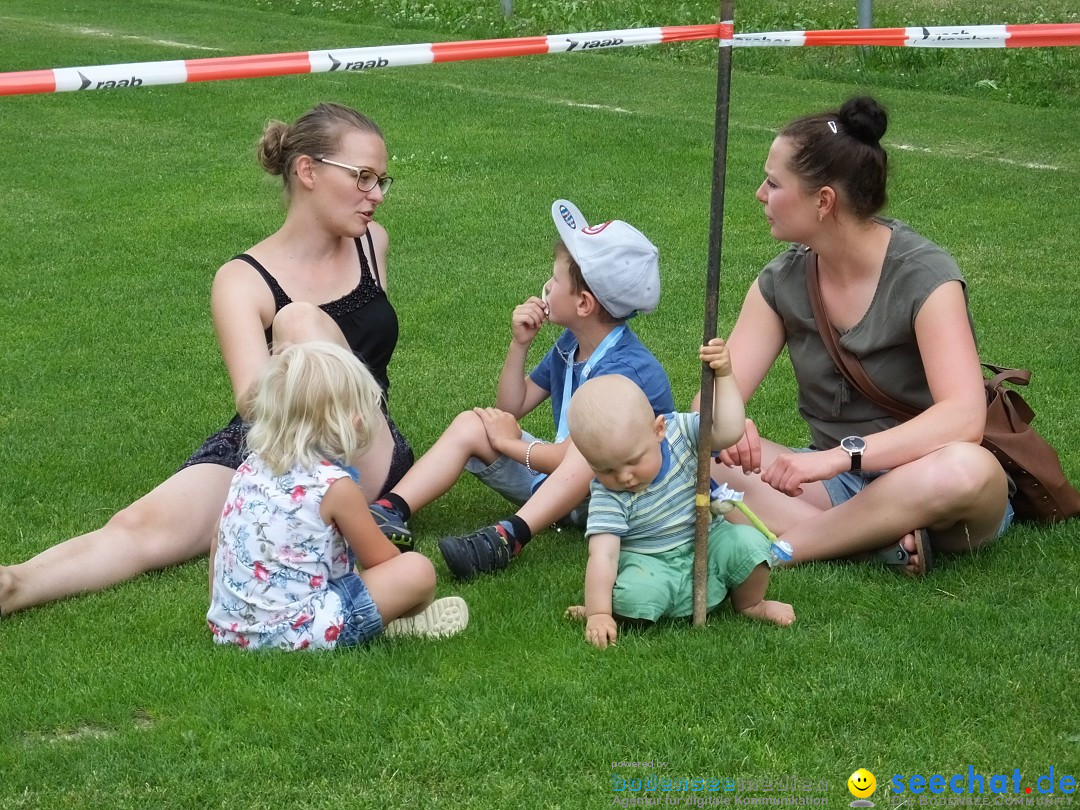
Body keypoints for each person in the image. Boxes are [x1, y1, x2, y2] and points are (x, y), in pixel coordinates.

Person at [0, 102, 414, 618]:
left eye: (381, 180)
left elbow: (366, 381)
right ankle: (13, 584)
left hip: (357, 439)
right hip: (271, 440)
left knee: (299, 321)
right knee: (140, 526)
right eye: (363, 178)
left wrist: (297, 338)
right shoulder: (241, 279)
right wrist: (290, 363)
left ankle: (337, 511)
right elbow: (252, 403)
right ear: (308, 170)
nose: (375, 195)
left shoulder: (372, 244)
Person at [709, 95, 1012, 577]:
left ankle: (788, 546)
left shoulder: (925, 276)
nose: (759, 195)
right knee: (693, 451)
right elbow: (713, 402)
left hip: (926, 480)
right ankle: (874, 542)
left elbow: (963, 418)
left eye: (773, 182)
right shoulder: (781, 281)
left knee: (967, 469)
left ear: (823, 200)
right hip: (831, 486)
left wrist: (836, 459)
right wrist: (727, 417)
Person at [368, 199, 675, 581]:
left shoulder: (626, 370)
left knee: (583, 458)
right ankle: (388, 510)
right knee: (472, 424)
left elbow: (575, 458)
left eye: (556, 280)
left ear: (583, 303)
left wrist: (512, 445)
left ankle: (507, 538)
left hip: (618, 492)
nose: (547, 286)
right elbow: (511, 407)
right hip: (561, 485)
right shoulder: (569, 344)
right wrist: (520, 345)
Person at [208, 342, 467, 650]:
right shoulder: (334, 485)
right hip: (301, 634)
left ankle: (236, 619)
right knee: (417, 571)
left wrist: (222, 613)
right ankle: (388, 621)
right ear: (352, 421)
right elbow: (381, 560)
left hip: (230, 631)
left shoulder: (250, 467)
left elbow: (217, 539)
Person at [565, 347, 795, 650]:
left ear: (658, 429)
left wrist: (724, 376)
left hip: (708, 540)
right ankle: (616, 611)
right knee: (637, 595)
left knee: (749, 545)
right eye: (605, 468)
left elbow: (728, 431)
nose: (623, 477)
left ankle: (751, 603)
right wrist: (598, 612)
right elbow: (603, 556)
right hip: (651, 561)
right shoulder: (609, 495)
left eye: (633, 461)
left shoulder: (681, 433)